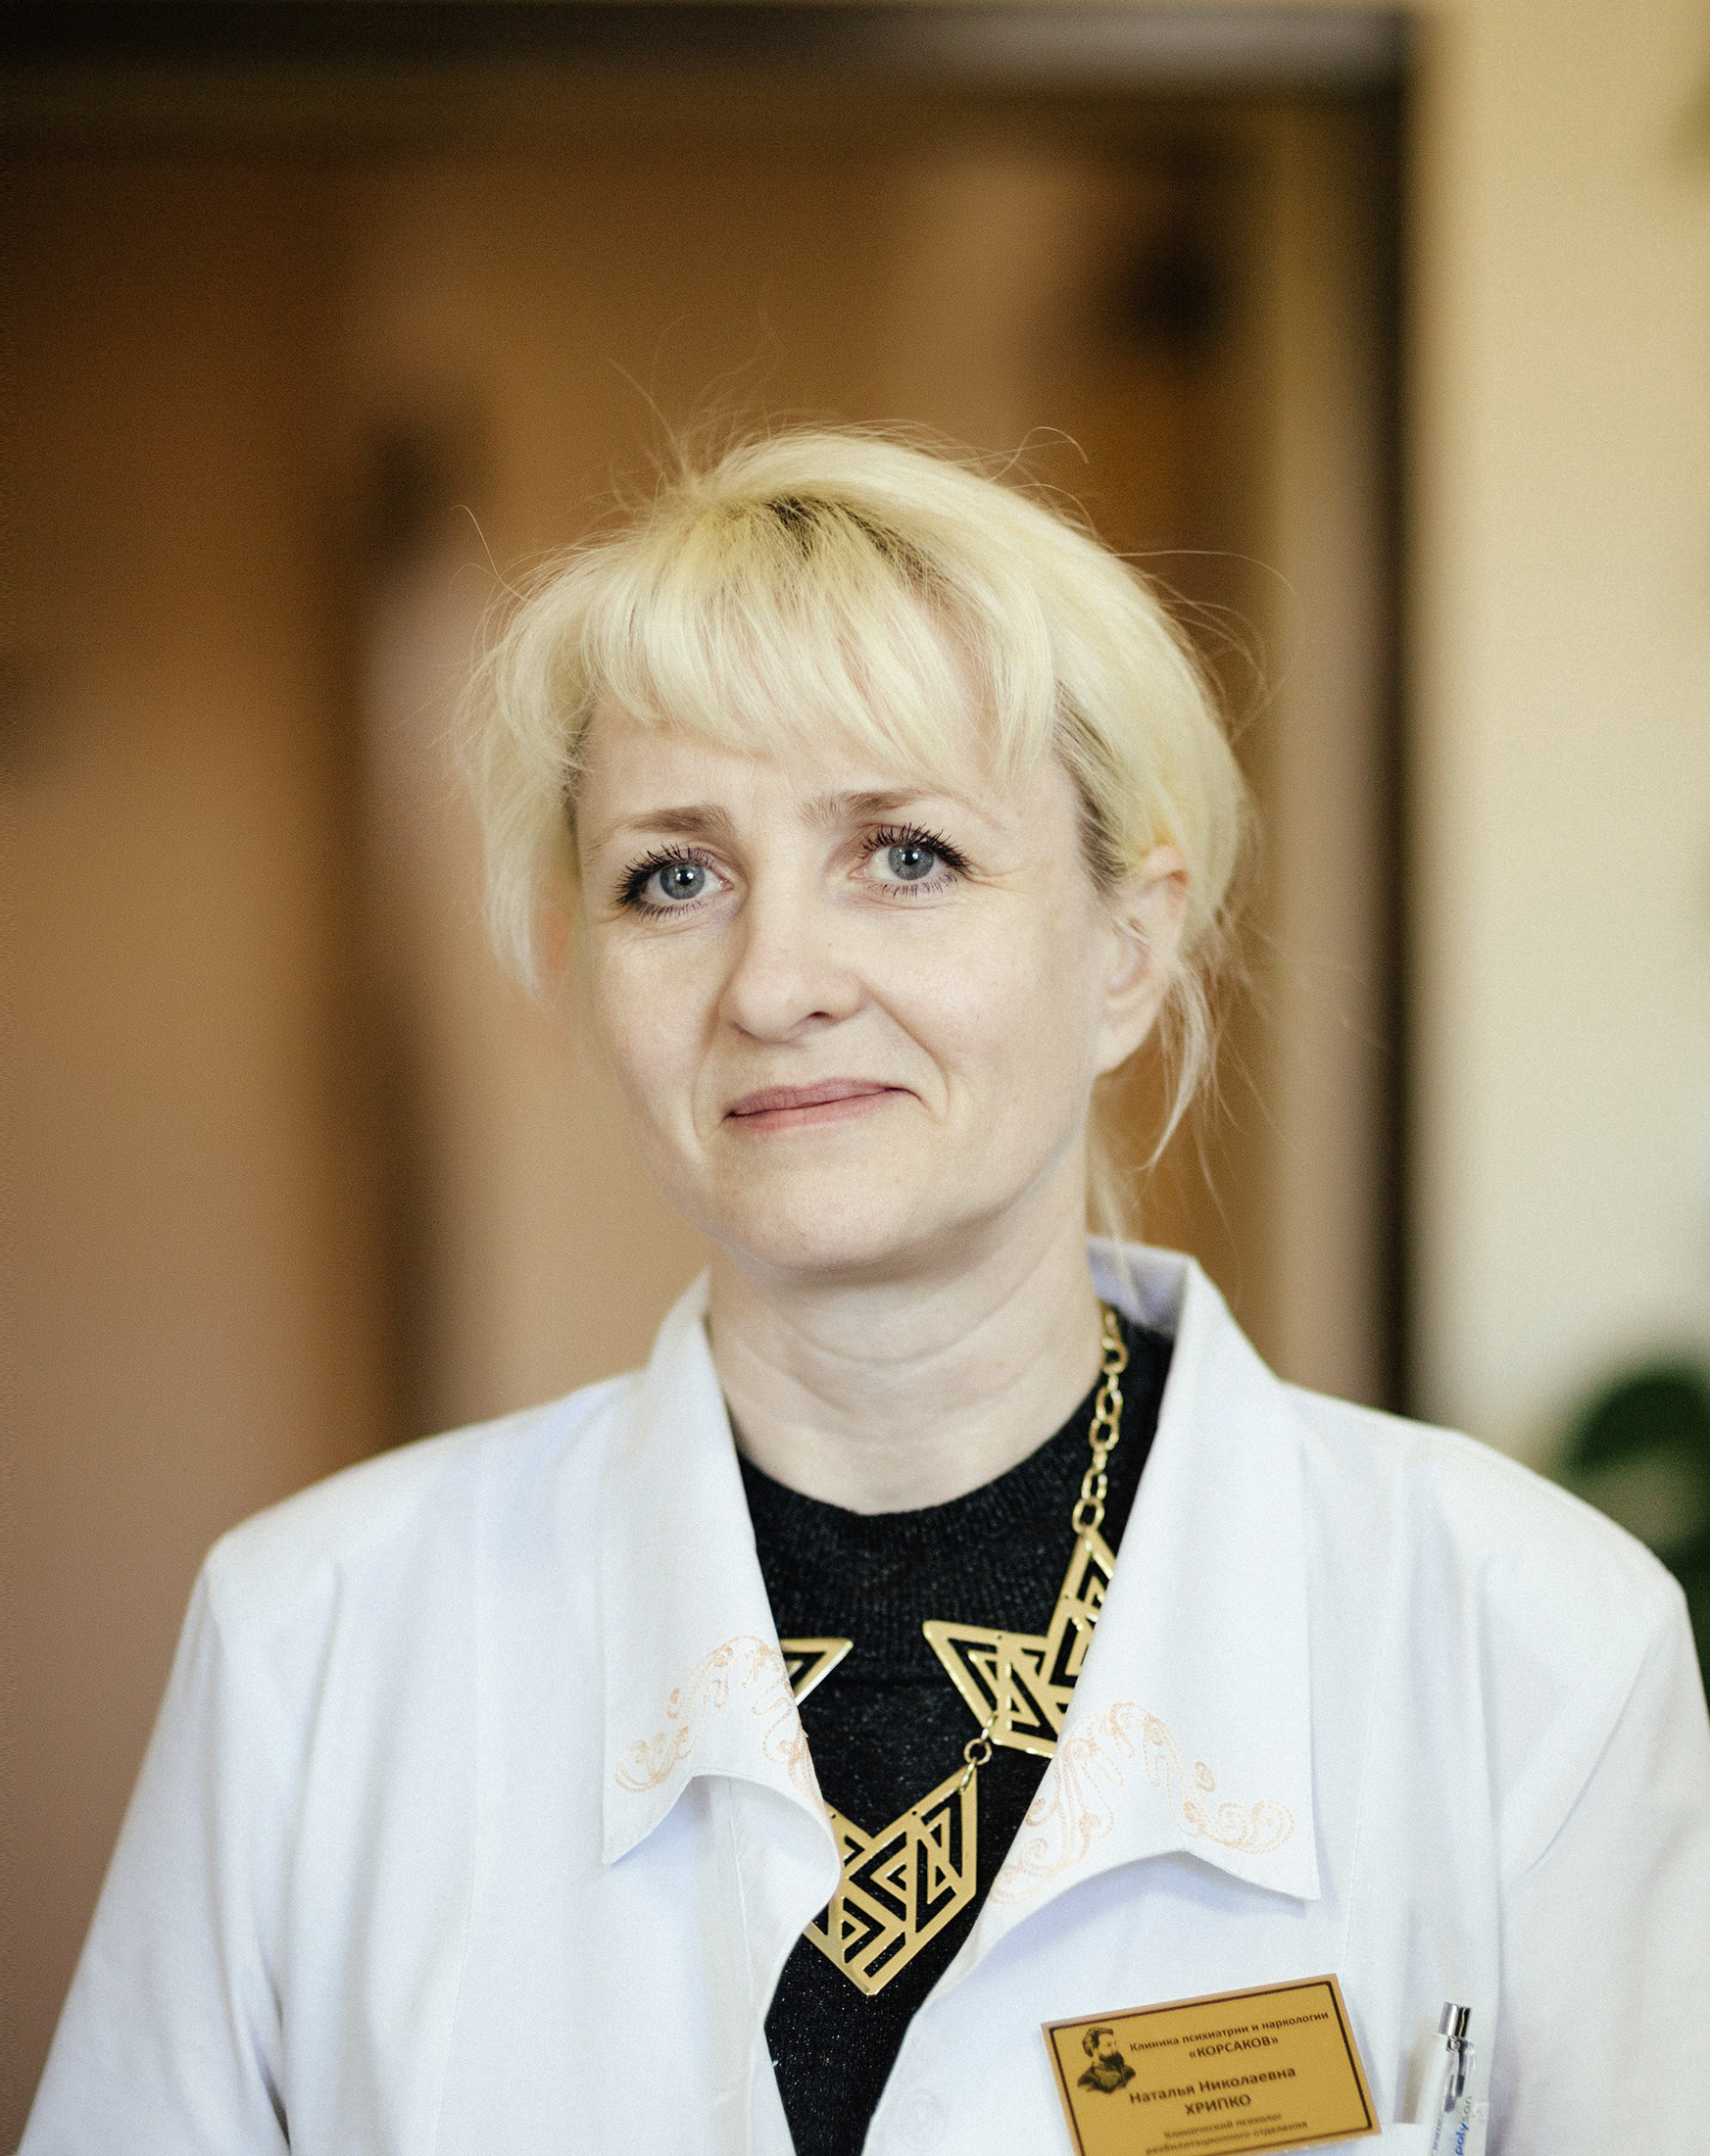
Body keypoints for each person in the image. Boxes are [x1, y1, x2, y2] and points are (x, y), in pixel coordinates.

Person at [25, 432, 1710, 2155]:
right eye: (673, 877)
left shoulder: (1528, 1647)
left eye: (903, 854)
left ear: (1127, 951)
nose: (775, 983)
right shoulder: (311, 1649)